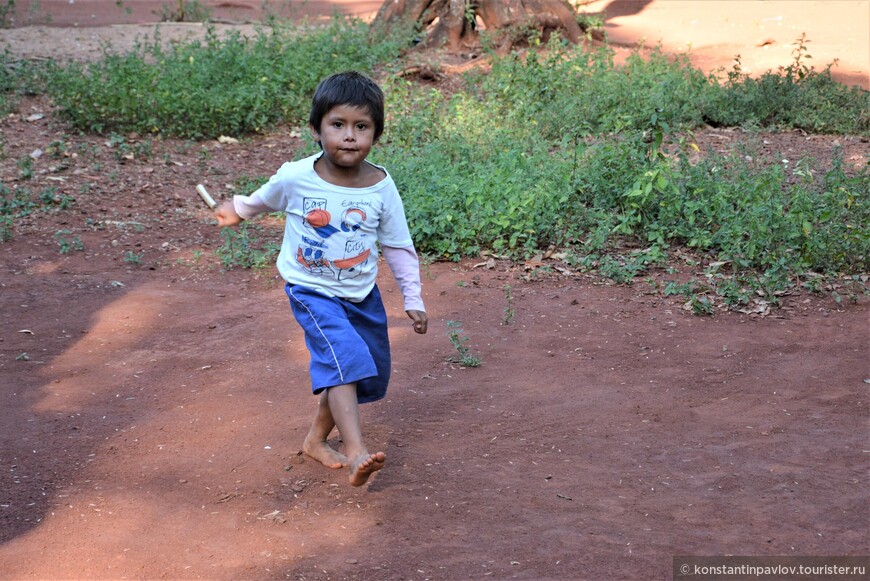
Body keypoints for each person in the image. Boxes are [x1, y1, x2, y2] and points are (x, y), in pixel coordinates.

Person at [215, 71, 428, 486]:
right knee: (345, 359)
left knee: (359, 367)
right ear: (316, 129)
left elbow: (398, 245)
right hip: (311, 290)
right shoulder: (298, 177)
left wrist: (413, 297)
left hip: (360, 293)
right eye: (338, 125)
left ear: (376, 135)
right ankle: (356, 454)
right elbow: (263, 199)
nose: (349, 137)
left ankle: (315, 440)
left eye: (361, 127)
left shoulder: (381, 187)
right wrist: (237, 210)